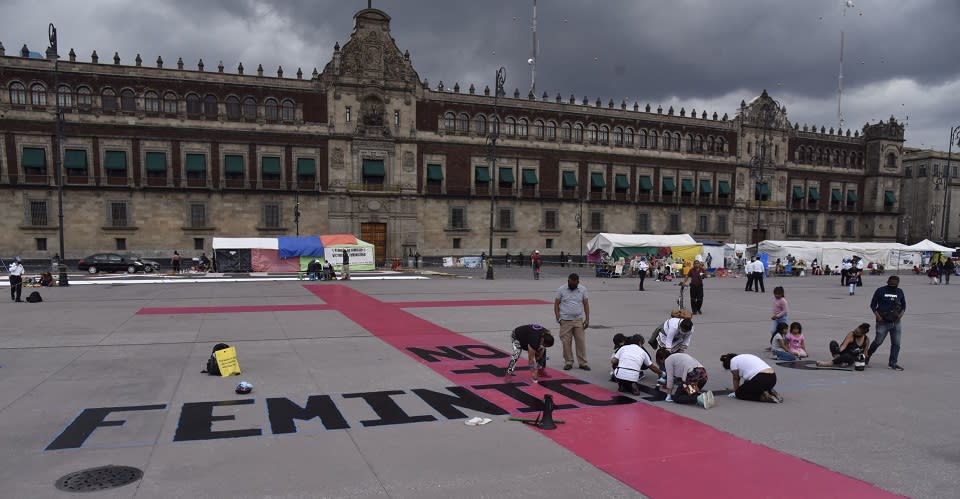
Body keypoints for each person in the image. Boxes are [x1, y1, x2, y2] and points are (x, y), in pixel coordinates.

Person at [867, 275, 906, 370]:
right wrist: (878, 316)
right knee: (878, 341)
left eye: (896, 283)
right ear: (887, 282)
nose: (893, 285)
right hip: (882, 322)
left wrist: (900, 315)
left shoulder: (899, 291)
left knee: (896, 343)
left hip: (896, 322)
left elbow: (904, 305)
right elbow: (873, 305)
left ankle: (892, 363)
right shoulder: (880, 290)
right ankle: (867, 356)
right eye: (892, 283)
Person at [554, 273, 590, 370]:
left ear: (578, 282)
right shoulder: (561, 289)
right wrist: (558, 319)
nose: (572, 285)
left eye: (575, 284)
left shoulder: (582, 289)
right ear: (568, 281)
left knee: (581, 342)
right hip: (565, 321)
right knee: (566, 342)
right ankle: (568, 362)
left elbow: (586, 304)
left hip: (578, 320)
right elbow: (556, 304)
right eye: (571, 283)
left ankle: (583, 363)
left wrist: (587, 319)